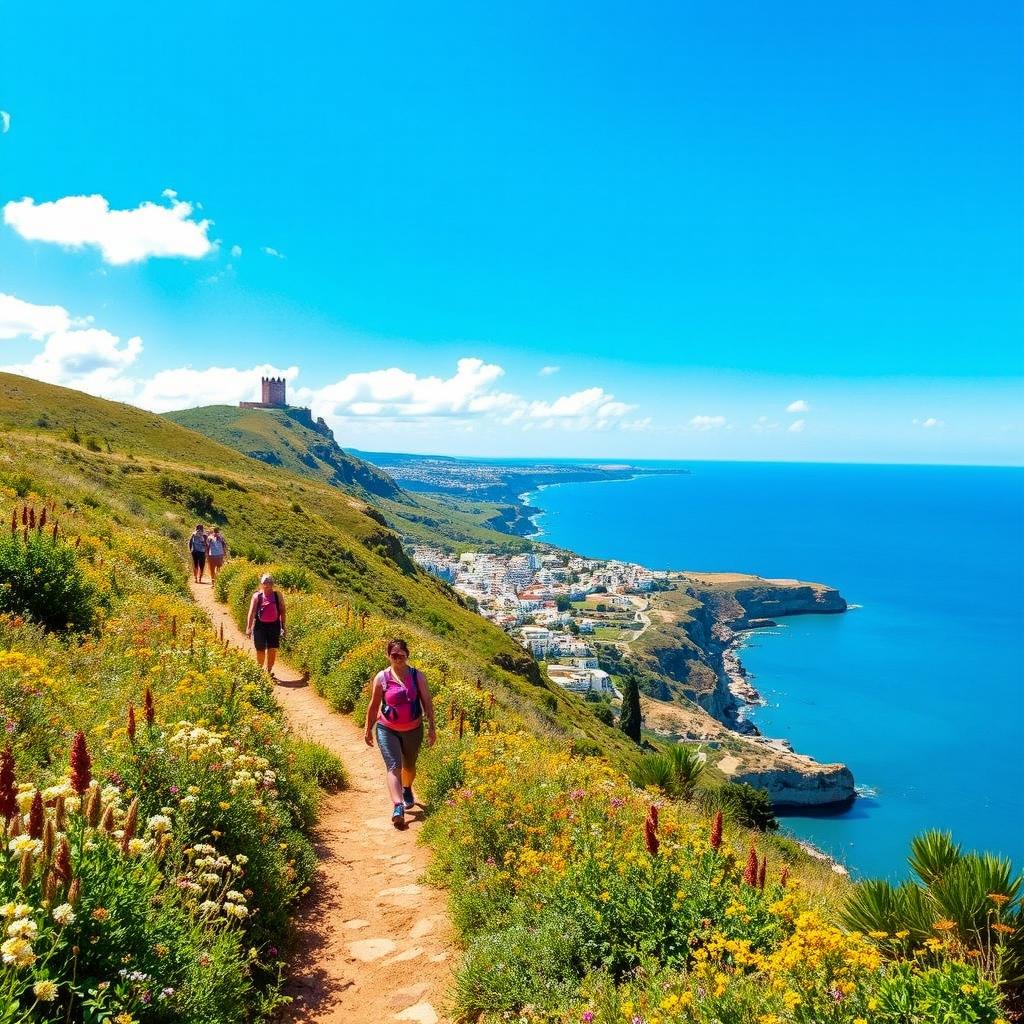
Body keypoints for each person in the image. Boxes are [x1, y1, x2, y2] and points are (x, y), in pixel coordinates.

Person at [364, 639, 436, 827]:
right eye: (394, 655)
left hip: (413, 729)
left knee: (409, 766)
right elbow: (373, 705)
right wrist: (368, 729)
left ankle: (407, 788)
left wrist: (432, 728)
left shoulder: (417, 676)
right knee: (393, 766)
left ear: (407, 655)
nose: (398, 658)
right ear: (388, 656)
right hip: (387, 729)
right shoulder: (382, 677)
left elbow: (427, 702)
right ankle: (398, 806)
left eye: (401, 655)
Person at [245, 574, 286, 678]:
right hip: (260, 625)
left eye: (269, 583)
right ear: (261, 584)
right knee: (260, 649)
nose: (267, 585)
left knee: (272, 648)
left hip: (274, 625)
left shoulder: (278, 595)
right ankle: (259, 670)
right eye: (265, 583)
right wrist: (249, 628)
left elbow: (282, 611)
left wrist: (283, 626)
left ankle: (269, 670)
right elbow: (252, 612)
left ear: (272, 584)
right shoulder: (257, 596)